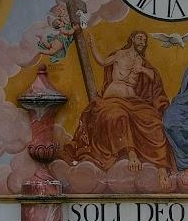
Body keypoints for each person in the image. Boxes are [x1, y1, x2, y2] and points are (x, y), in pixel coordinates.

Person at [64, 30, 173, 187]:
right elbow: (101, 62)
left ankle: (162, 169)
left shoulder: (142, 62)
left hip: (135, 102)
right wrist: (93, 46)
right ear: (132, 39)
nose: (142, 41)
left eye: (144, 39)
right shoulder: (119, 55)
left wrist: (142, 70)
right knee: (119, 116)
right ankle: (132, 154)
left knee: (155, 121)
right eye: (139, 38)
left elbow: (155, 79)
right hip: (113, 99)